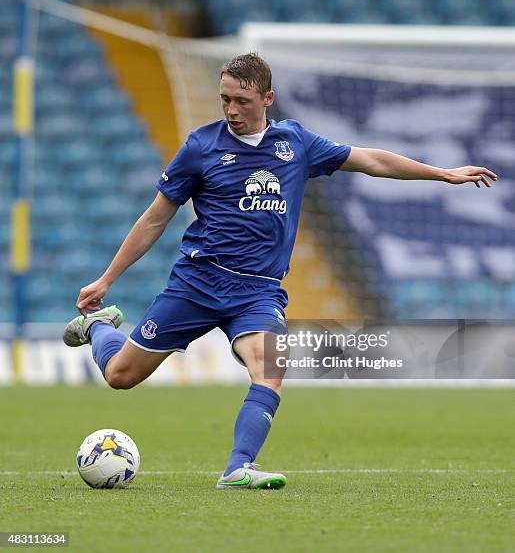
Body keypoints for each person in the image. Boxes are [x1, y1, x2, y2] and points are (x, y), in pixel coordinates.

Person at [63, 53, 497, 490]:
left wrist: (442, 174)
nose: (232, 110)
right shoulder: (200, 147)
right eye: (225, 99)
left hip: (258, 292)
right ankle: (100, 326)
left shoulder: (296, 143)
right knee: (121, 377)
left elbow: (370, 160)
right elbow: (155, 218)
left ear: (268, 98)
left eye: (242, 101)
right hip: (198, 283)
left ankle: (239, 467)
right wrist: (106, 280)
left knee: (270, 368)